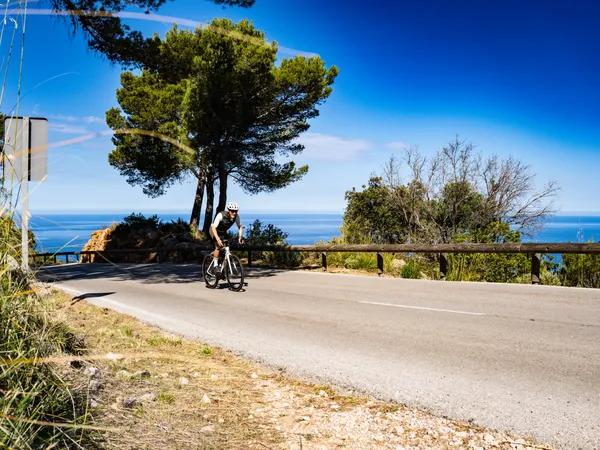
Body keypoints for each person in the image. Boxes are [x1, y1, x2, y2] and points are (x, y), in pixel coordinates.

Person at [209, 202, 244, 270]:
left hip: (223, 232)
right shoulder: (221, 215)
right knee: (218, 246)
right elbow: (213, 227)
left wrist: (240, 237)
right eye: (232, 211)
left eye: (236, 211)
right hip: (214, 231)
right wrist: (218, 239)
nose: (234, 213)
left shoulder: (236, 216)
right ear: (228, 210)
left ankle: (222, 268)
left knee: (225, 249)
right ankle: (215, 265)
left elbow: (240, 227)